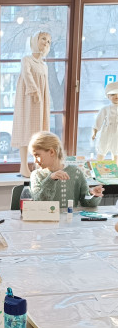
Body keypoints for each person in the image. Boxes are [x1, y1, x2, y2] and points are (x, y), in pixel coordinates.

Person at [11, 31, 51, 178]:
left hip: (41, 103)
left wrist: (45, 99)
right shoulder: (26, 60)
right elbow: (27, 75)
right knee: (26, 129)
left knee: (39, 133)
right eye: (43, 39)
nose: (46, 43)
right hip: (29, 100)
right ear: (35, 40)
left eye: (48, 41)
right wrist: (34, 90)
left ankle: (37, 164)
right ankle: (23, 165)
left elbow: (46, 85)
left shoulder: (44, 65)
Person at [29, 131, 104, 207]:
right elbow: (38, 203)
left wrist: (93, 195)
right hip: (45, 219)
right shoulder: (36, 175)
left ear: (51, 152)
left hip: (69, 218)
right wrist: (51, 179)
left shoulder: (76, 172)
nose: (35, 161)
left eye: (37, 155)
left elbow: (86, 203)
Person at [92, 82, 118, 164]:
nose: (116, 96)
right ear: (108, 97)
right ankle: (99, 168)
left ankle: (115, 170)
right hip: (107, 132)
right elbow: (98, 121)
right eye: (113, 94)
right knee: (102, 151)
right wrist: (94, 133)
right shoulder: (105, 109)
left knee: (116, 152)